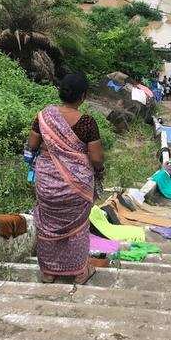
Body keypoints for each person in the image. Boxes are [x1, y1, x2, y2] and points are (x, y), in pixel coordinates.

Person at [26, 73, 105, 284]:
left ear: (60, 92)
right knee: (78, 227)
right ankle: (79, 273)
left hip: (46, 184)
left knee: (48, 224)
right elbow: (96, 158)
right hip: (76, 187)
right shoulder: (87, 122)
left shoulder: (43, 117)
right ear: (83, 96)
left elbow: (32, 146)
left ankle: (49, 272)